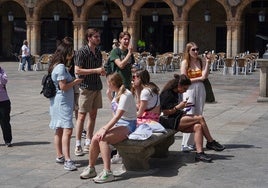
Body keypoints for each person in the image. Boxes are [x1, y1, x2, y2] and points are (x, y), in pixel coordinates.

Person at [80, 72, 137, 183]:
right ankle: (91, 168)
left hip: (128, 124)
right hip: (120, 123)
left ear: (112, 83)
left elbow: (117, 116)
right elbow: (115, 110)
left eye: (108, 82)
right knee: (95, 137)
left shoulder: (126, 95)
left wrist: (106, 129)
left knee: (103, 138)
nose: (106, 84)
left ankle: (107, 172)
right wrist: (110, 96)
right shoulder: (116, 93)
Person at [160, 74, 225, 162]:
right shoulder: (167, 94)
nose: (184, 91)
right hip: (169, 121)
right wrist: (178, 107)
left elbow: (174, 108)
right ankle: (210, 142)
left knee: (198, 126)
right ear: (179, 86)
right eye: (184, 89)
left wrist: (182, 107)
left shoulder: (176, 92)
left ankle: (200, 153)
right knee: (200, 118)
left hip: (176, 117)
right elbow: (165, 112)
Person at [48, 37, 83, 171]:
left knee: (59, 129)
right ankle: (68, 159)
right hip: (63, 103)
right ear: (65, 53)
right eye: (70, 52)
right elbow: (63, 86)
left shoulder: (55, 65)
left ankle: (59, 155)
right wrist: (75, 82)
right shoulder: (61, 67)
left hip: (57, 102)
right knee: (67, 130)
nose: (72, 54)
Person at [74, 28, 106, 156]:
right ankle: (77, 144)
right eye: (96, 37)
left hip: (96, 86)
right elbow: (78, 71)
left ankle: (88, 141)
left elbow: (99, 69)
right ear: (89, 38)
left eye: (98, 36)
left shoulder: (98, 52)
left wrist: (102, 72)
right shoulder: (82, 52)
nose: (98, 38)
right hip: (85, 87)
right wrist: (96, 70)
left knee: (93, 116)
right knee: (81, 116)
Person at [179, 42, 211, 152]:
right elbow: (184, 79)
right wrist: (199, 78)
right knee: (189, 114)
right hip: (189, 90)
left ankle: (193, 142)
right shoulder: (185, 63)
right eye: (193, 50)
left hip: (200, 88)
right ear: (188, 51)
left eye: (197, 49)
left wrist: (207, 62)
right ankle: (185, 143)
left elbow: (205, 76)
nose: (196, 52)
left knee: (199, 113)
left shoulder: (200, 61)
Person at [0, 66, 13, 147]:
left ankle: (8, 140)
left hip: (4, 100)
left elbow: (4, 81)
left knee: (5, 121)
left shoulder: (1, 71)